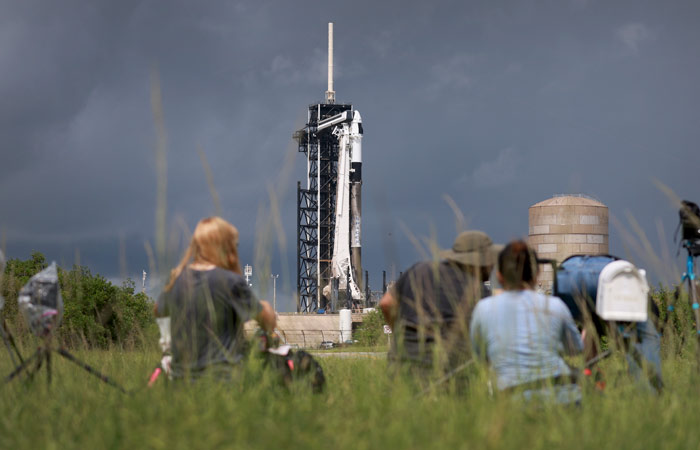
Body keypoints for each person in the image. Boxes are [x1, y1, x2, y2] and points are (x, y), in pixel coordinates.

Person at [156, 217, 276, 379]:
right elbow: (267, 320)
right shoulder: (230, 281)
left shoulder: (176, 280)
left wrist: (168, 340)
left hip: (180, 381)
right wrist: (265, 307)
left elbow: (158, 309)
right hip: (223, 380)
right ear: (226, 246)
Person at [470, 240, 583, 404]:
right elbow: (576, 350)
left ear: (499, 275)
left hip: (512, 399)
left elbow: (480, 356)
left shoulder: (483, 309)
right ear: (536, 274)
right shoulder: (555, 305)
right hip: (563, 396)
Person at [379, 230, 502, 373]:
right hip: (450, 377)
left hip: (401, 368)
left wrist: (401, 335)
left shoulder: (420, 270)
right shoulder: (479, 292)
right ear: (480, 262)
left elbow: (386, 303)